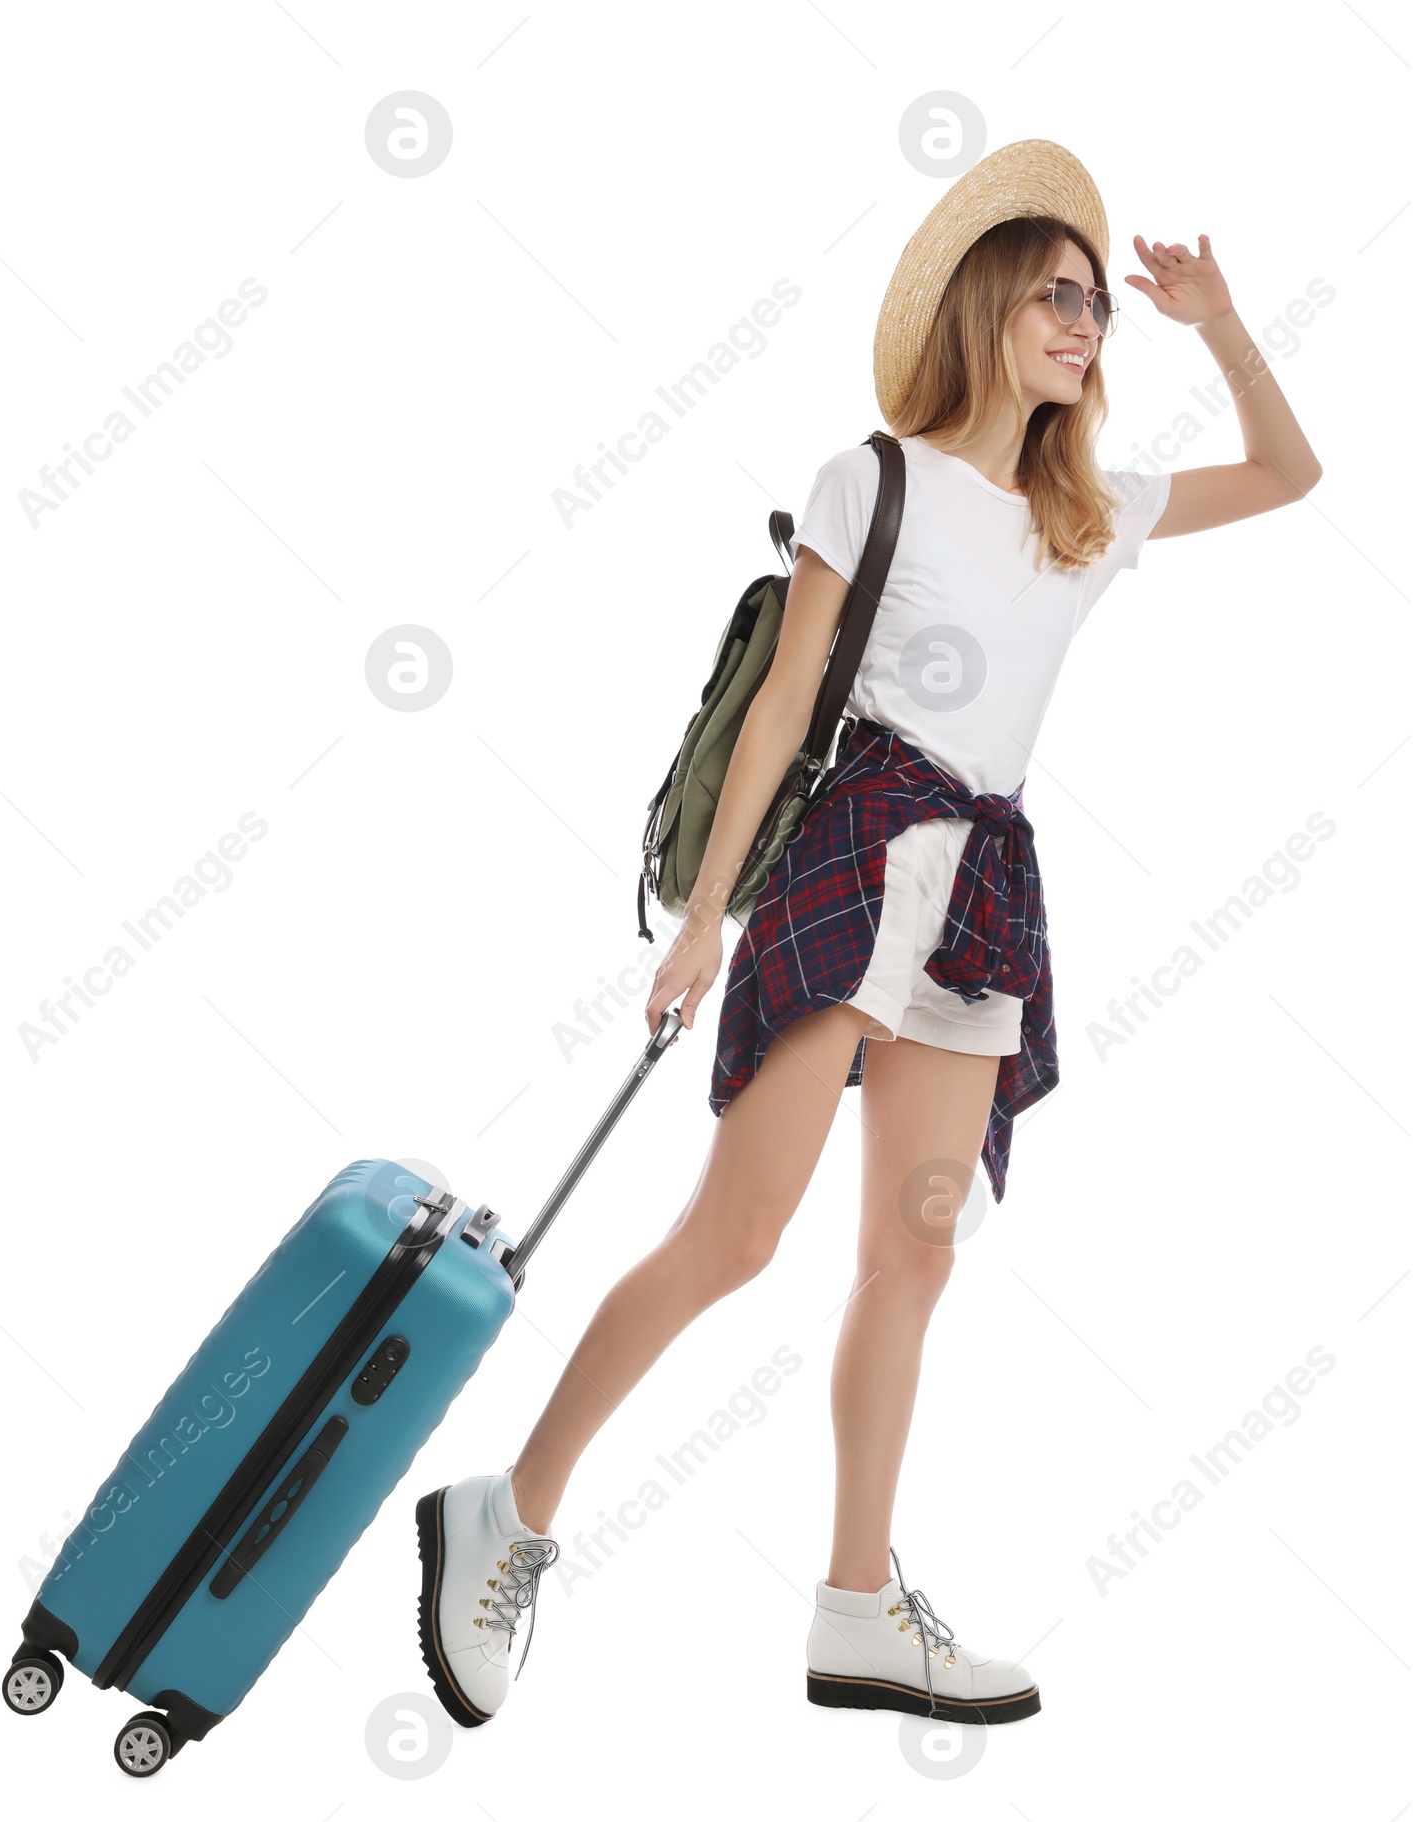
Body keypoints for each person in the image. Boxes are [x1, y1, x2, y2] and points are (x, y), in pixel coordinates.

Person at [416, 138, 1322, 1729]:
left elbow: (1291, 475)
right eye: (1058, 292)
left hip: (985, 894)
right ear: (984, 299)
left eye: (1098, 305)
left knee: (911, 1255)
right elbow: (780, 709)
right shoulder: (876, 477)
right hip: (854, 863)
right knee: (735, 1235)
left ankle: (856, 1605)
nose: (1087, 322)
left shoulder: (1088, 510)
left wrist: (1224, 323)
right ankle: (512, 1508)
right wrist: (703, 922)